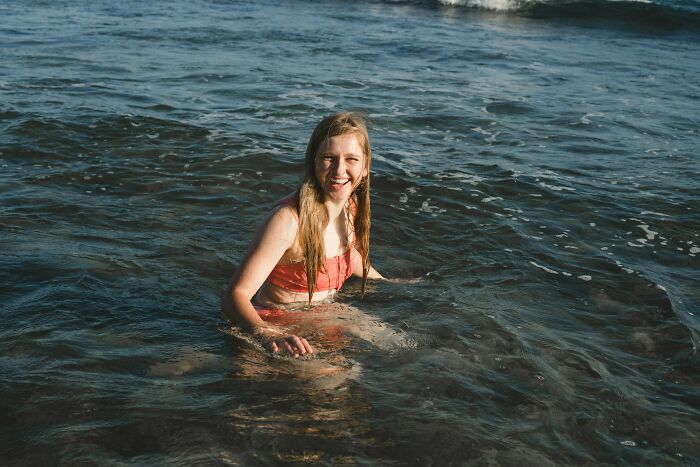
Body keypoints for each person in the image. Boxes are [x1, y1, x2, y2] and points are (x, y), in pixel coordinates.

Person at [222, 112, 384, 358]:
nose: (340, 170)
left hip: (323, 315)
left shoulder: (350, 209)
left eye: (351, 159)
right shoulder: (287, 221)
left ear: (365, 166)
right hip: (278, 326)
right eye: (329, 158)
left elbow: (351, 257)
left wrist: (392, 284)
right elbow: (235, 297)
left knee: (402, 345)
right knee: (337, 380)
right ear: (313, 162)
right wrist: (267, 335)